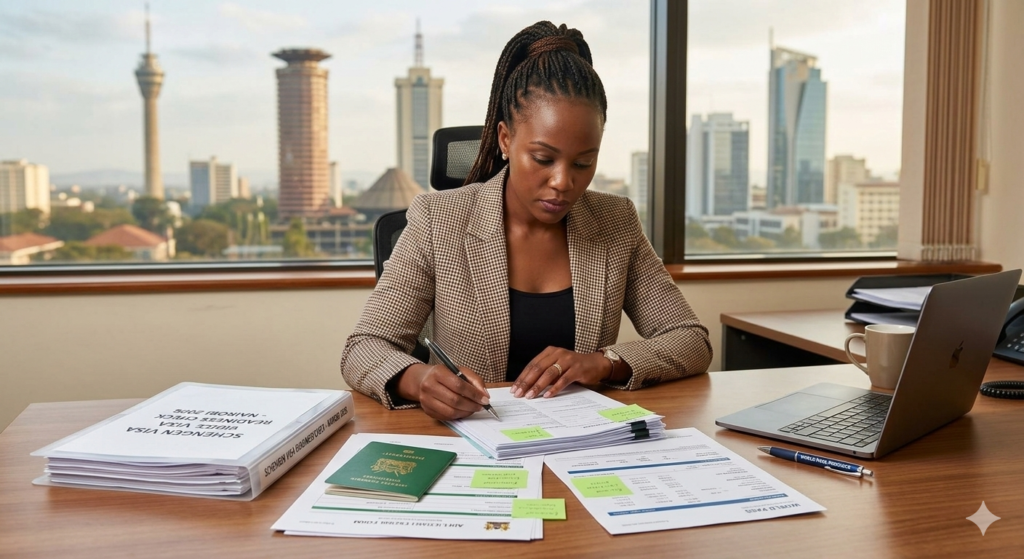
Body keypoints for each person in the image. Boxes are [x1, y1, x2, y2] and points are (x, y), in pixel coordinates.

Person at [341, 21, 712, 420]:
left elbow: (691, 341)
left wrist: (605, 362)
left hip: (583, 443)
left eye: (584, 162)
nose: (563, 182)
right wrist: (420, 379)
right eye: (543, 158)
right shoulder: (440, 220)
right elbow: (364, 346)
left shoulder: (614, 221)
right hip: (478, 445)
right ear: (505, 140)